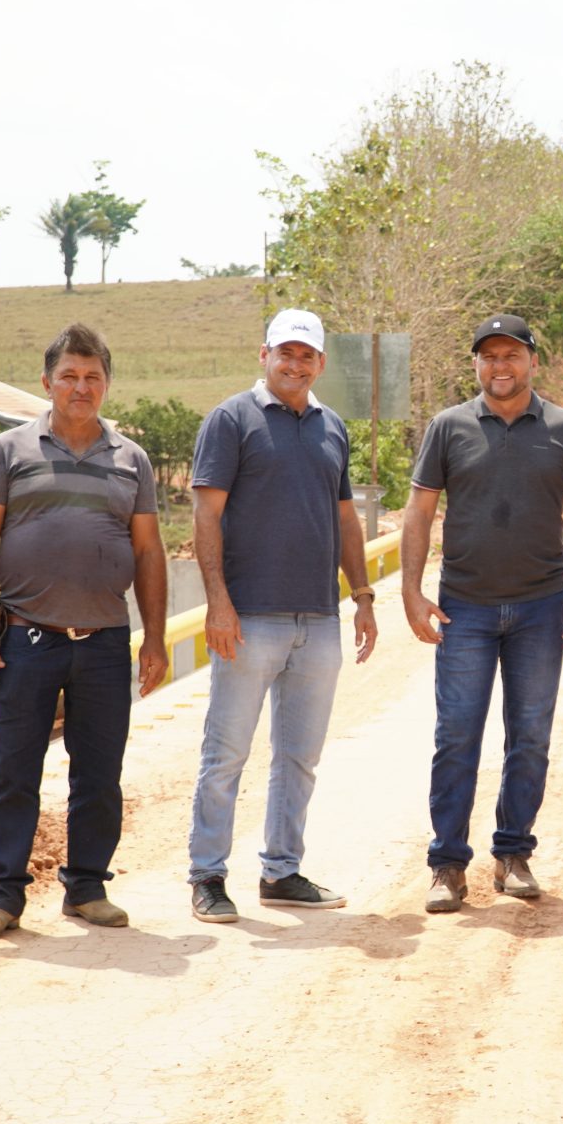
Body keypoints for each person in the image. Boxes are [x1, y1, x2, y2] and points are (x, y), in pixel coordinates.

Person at [0, 322, 169, 939]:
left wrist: (155, 639)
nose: (81, 387)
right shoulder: (9, 451)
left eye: (92, 376)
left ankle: (87, 888)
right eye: (69, 376)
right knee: (13, 771)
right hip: (25, 639)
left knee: (99, 773)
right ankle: (2, 897)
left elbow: (149, 552)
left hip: (104, 642)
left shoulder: (131, 459)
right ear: (46, 382)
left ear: (107, 384)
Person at [401, 314, 563, 914]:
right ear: (476, 364)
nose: (500, 366)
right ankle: (447, 864)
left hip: (541, 607)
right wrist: (411, 591)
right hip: (464, 608)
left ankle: (513, 853)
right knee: (456, 736)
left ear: (532, 362)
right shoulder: (448, 427)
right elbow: (419, 512)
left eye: (511, 355)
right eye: (488, 356)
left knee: (531, 736)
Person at [185, 308, 378, 923]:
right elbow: (207, 513)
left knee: (299, 756)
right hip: (249, 618)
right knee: (227, 754)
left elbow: (345, 518)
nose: (295, 364)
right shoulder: (231, 419)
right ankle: (208, 876)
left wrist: (363, 595)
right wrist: (218, 602)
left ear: (320, 363)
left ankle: (282, 871)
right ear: (263, 354)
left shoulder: (332, 427)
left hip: (317, 618)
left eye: (306, 355)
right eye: (285, 352)